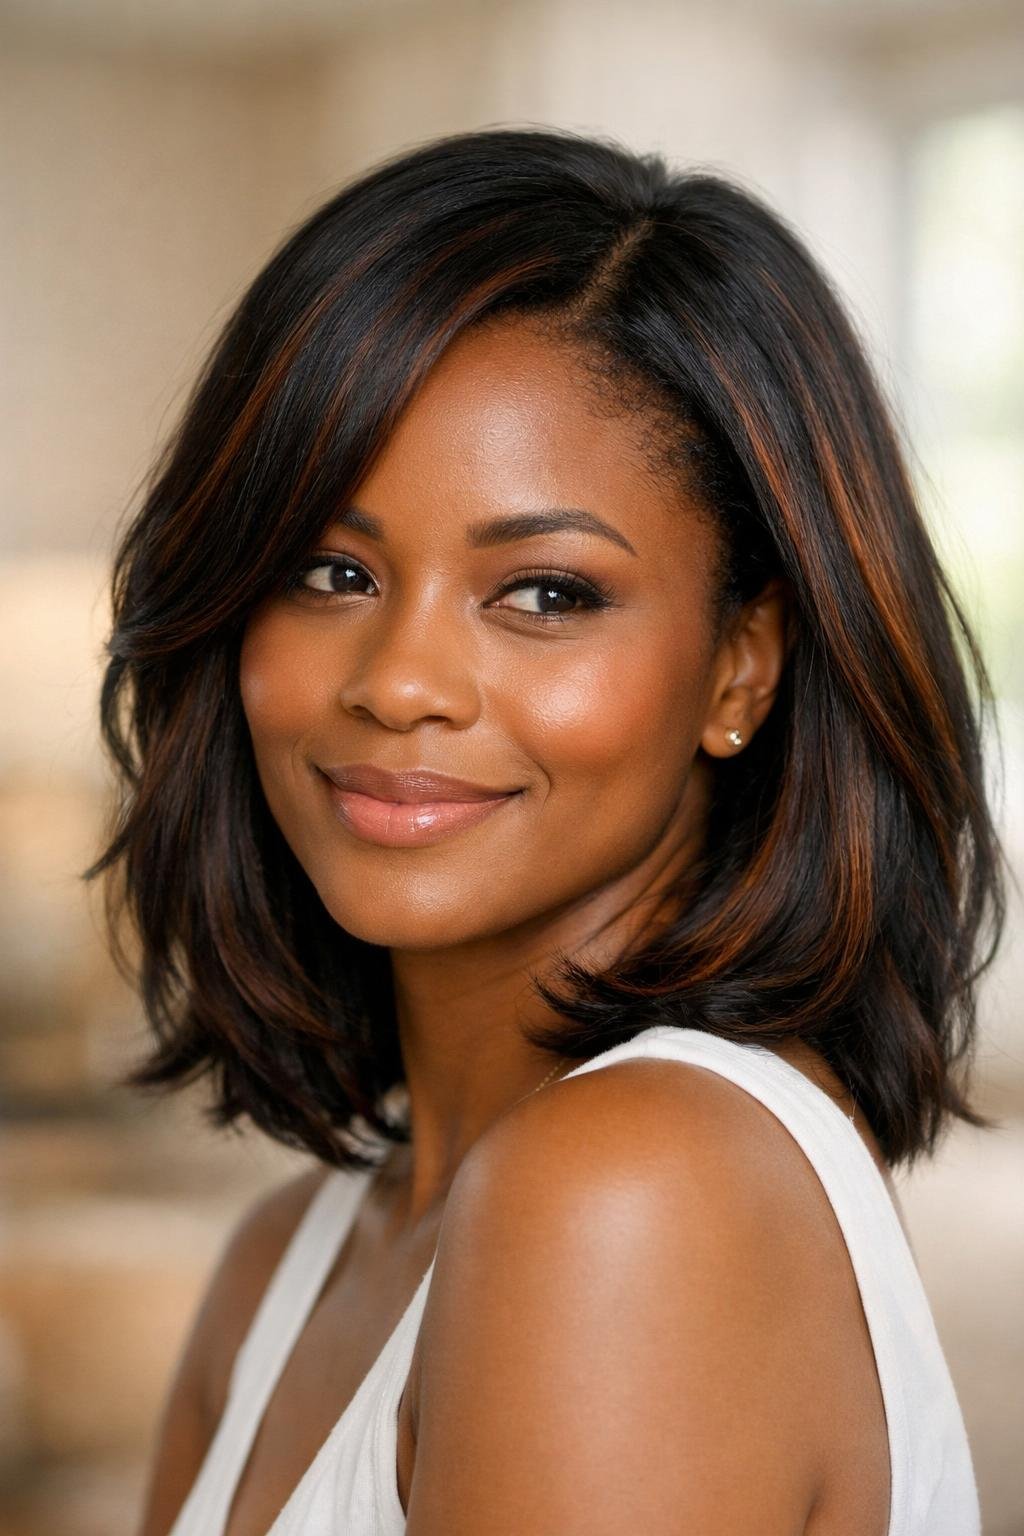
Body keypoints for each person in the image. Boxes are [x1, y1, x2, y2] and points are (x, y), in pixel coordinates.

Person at [87, 126, 1005, 1536]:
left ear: (741, 667)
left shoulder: (633, 1191)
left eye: (547, 594)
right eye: (329, 570)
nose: (399, 682)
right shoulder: (289, 1260)